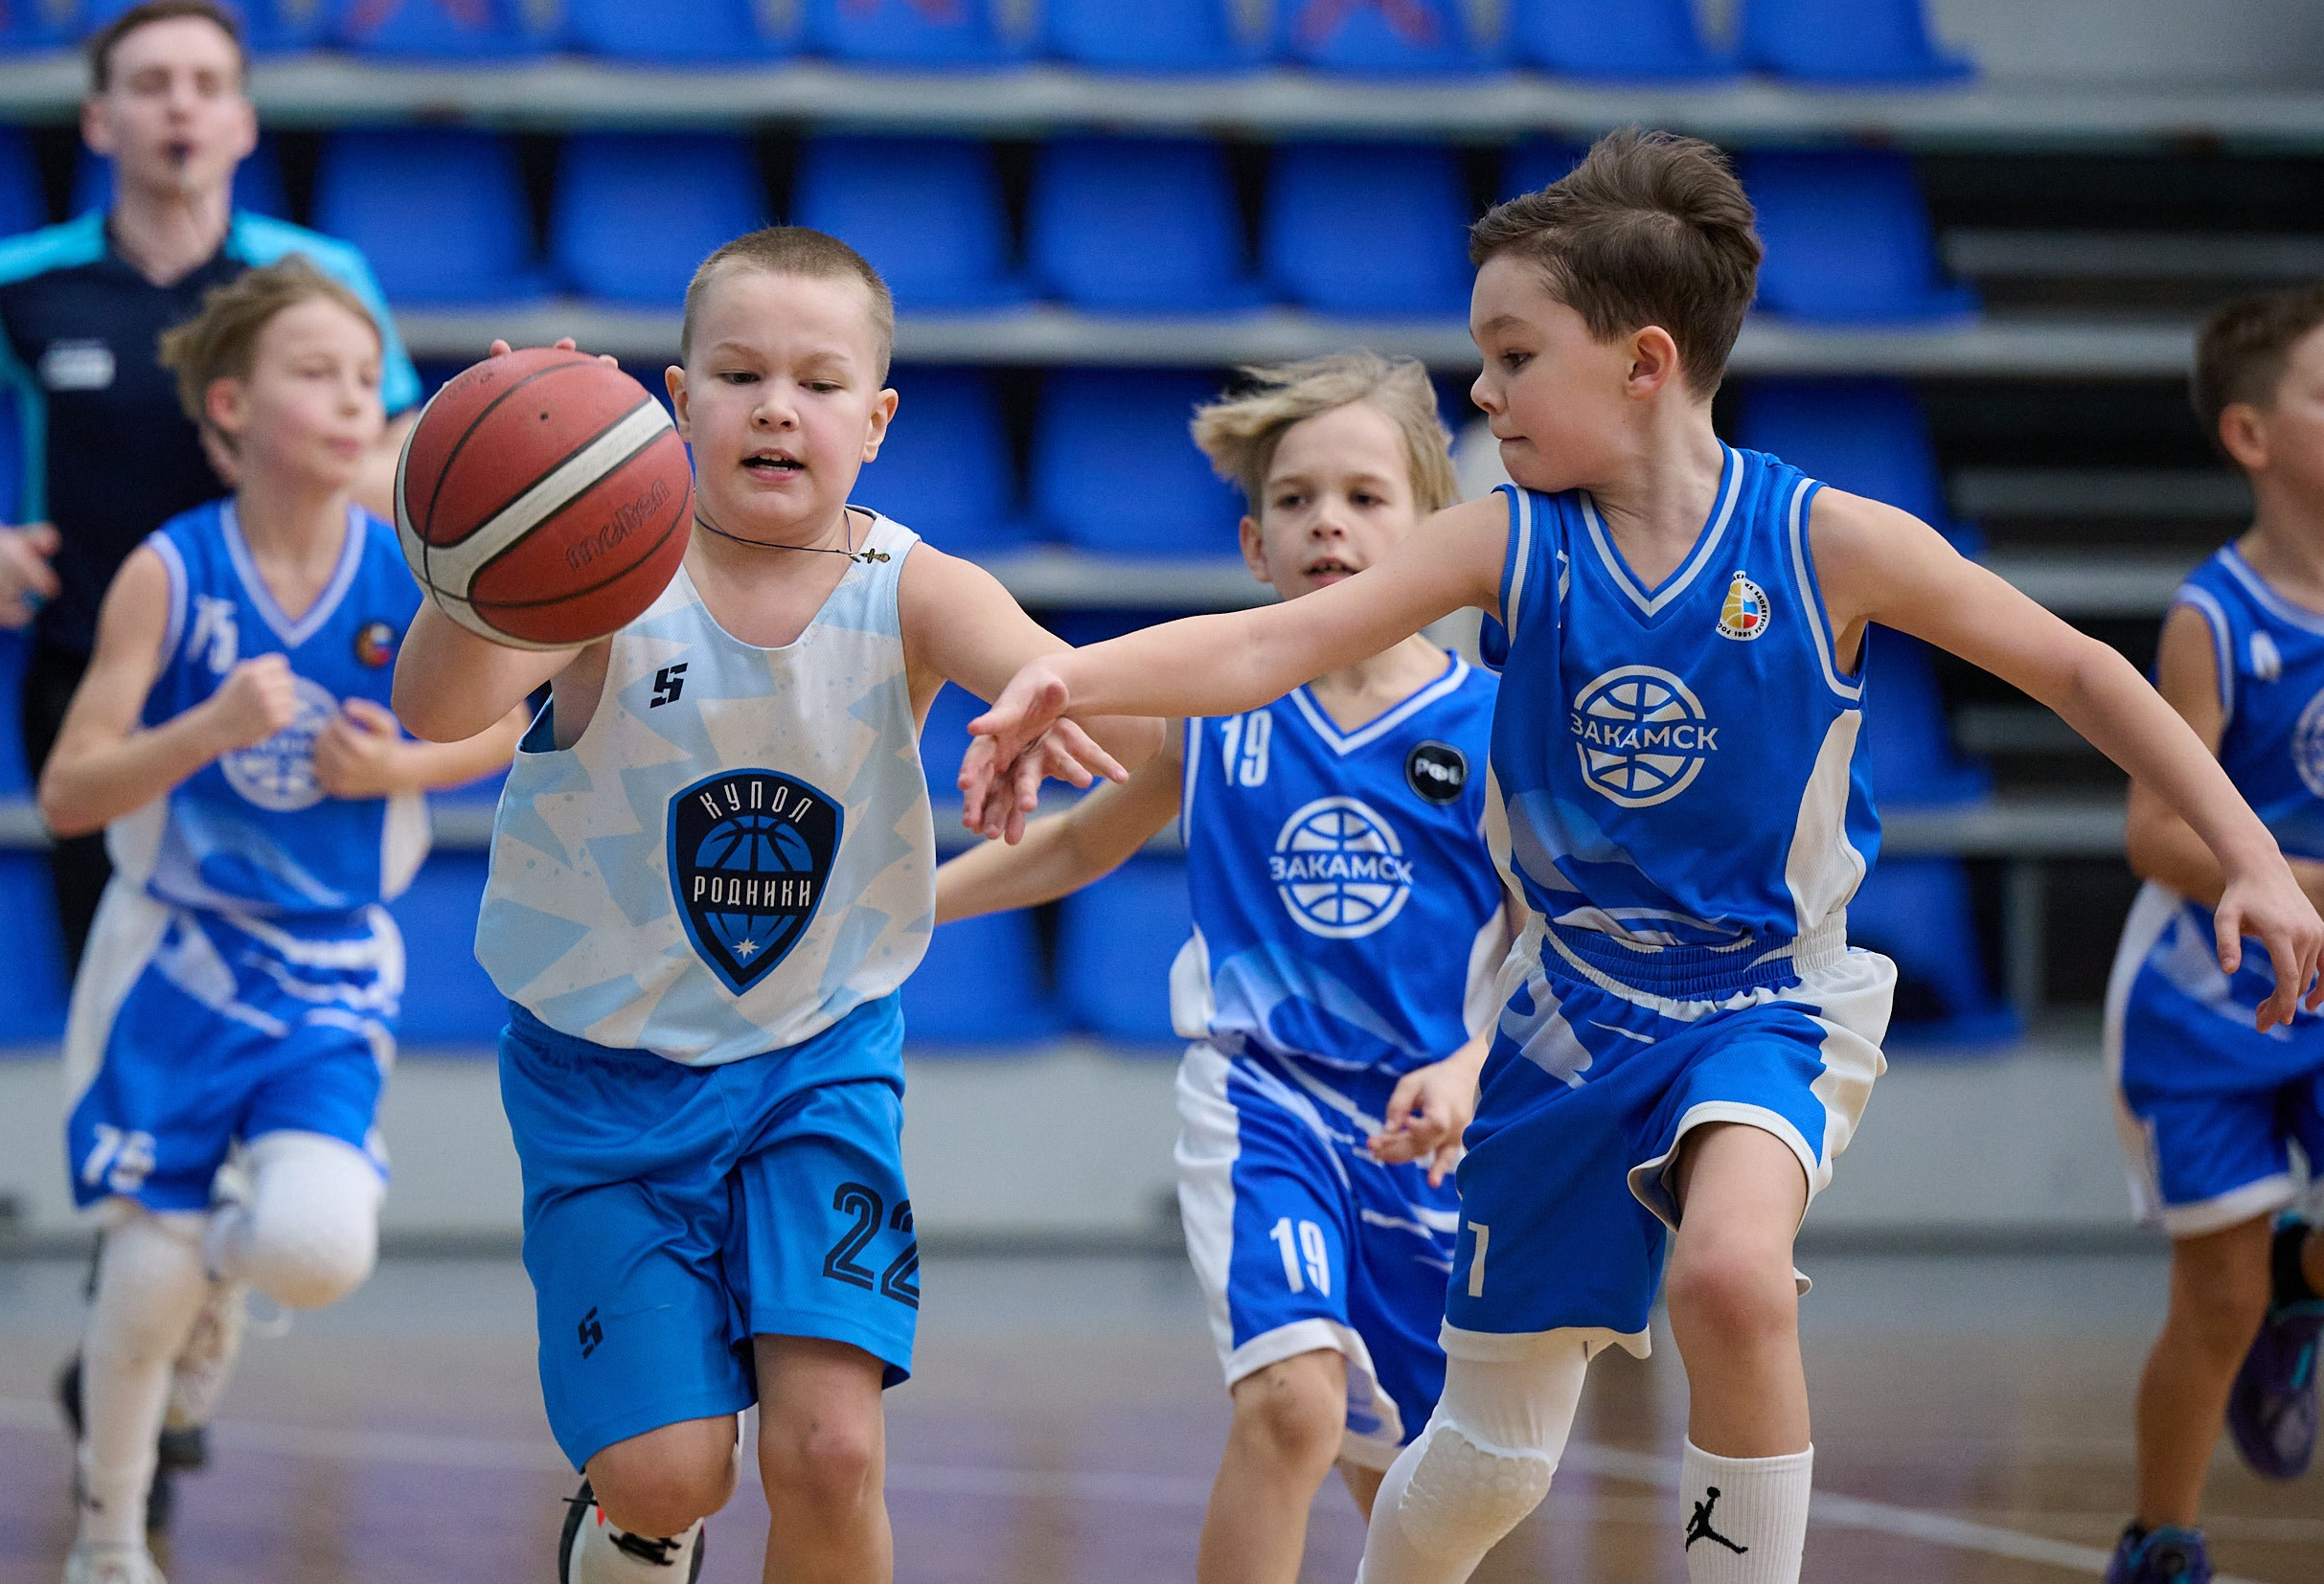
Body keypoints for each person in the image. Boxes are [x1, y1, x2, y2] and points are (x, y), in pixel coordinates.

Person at [955, 129, 2324, 1584]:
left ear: (1643, 362)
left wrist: (2243, 847)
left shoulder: (1825, 541)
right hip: (1564, 1008)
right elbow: (1266, 641)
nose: (1481, 390)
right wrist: (1069, 678)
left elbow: (2080, 673)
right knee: (1484, 1461)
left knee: (1736, 1276)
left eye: (1511, 353)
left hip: (1765, 995)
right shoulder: (1504, 542)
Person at [390, 225, 1162, 1584]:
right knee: (671, 1467)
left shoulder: (915, 585)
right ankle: (633, 1528)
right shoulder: (599, 573)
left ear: (877, 419)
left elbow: (1044, 666)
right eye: (739, 374)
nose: (776, 405)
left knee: (832, 1448)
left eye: (817, 381)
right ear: (675, 404)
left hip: (818, 1059)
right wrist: (486, 537)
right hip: (602, 1077)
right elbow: (435, 705)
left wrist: (1041, 703)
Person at [935, 352, 1512, 1584]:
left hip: (1433, 1127)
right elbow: (1084, 838)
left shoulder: (1496, 727)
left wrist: (1474, 1061)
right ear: (1254, 544)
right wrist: (905, 909)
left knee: (1416, 1480)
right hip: (1266, 1104)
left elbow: (1546, 939)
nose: (1330, 524)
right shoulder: (1217, 706)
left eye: (1364, 497)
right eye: (1298, 501)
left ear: (1434, 536)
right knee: (1294, 1407)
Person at [36, 258, 520, 1584]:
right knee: (140, 1277)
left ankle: (226, 1284)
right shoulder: (167, 573)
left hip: (328, 964)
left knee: (311, 1249)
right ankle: (108, 1534)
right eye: (317, 372)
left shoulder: (403, 572)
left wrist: (402, 769)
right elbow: (69, 790)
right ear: (232, 411)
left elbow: (502, 722)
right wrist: (204, 725)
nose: (355, 398)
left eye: (369, 377)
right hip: (175, 959)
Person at [0, 0, 421, 977]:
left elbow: (401, 439)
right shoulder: (18, 283)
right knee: (120, 970)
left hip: (290, 680)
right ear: (99, 118)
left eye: (208, 87)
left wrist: (339, 489)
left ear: (244, 123)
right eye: (151, 85)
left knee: (294, 964)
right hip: (97, 671)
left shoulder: (319, 277)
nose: (181, 109)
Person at [2100, 284, 2324, 1584]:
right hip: (2213, 997)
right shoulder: (2217, 616)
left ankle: (2308, 1265)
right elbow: (2156, 830)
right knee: (2219, 1298)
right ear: (2250, 434)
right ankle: (2161, 1539)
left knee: (2264, 1280)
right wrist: (2297, 877)